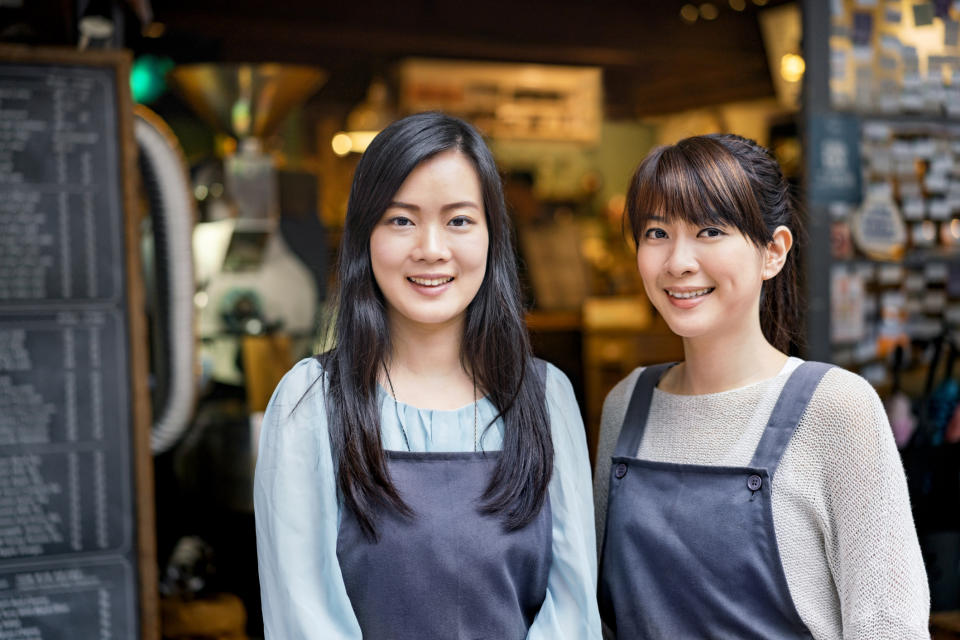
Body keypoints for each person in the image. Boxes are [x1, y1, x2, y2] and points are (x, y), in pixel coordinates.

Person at [255, 112, 601, 639]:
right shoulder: (310, 401)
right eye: (401, 220)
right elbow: (303, 616)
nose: (432, 249)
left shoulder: (546, 396)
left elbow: (572, 612)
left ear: (492, 236)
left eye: (459, 220)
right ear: (364, 234)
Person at [594, 134, 930, 638]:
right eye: (656, 232)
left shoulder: (837, 409)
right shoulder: (627, 403)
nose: (678, 262)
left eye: (709, 230)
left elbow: (889, 626)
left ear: (773, 251)